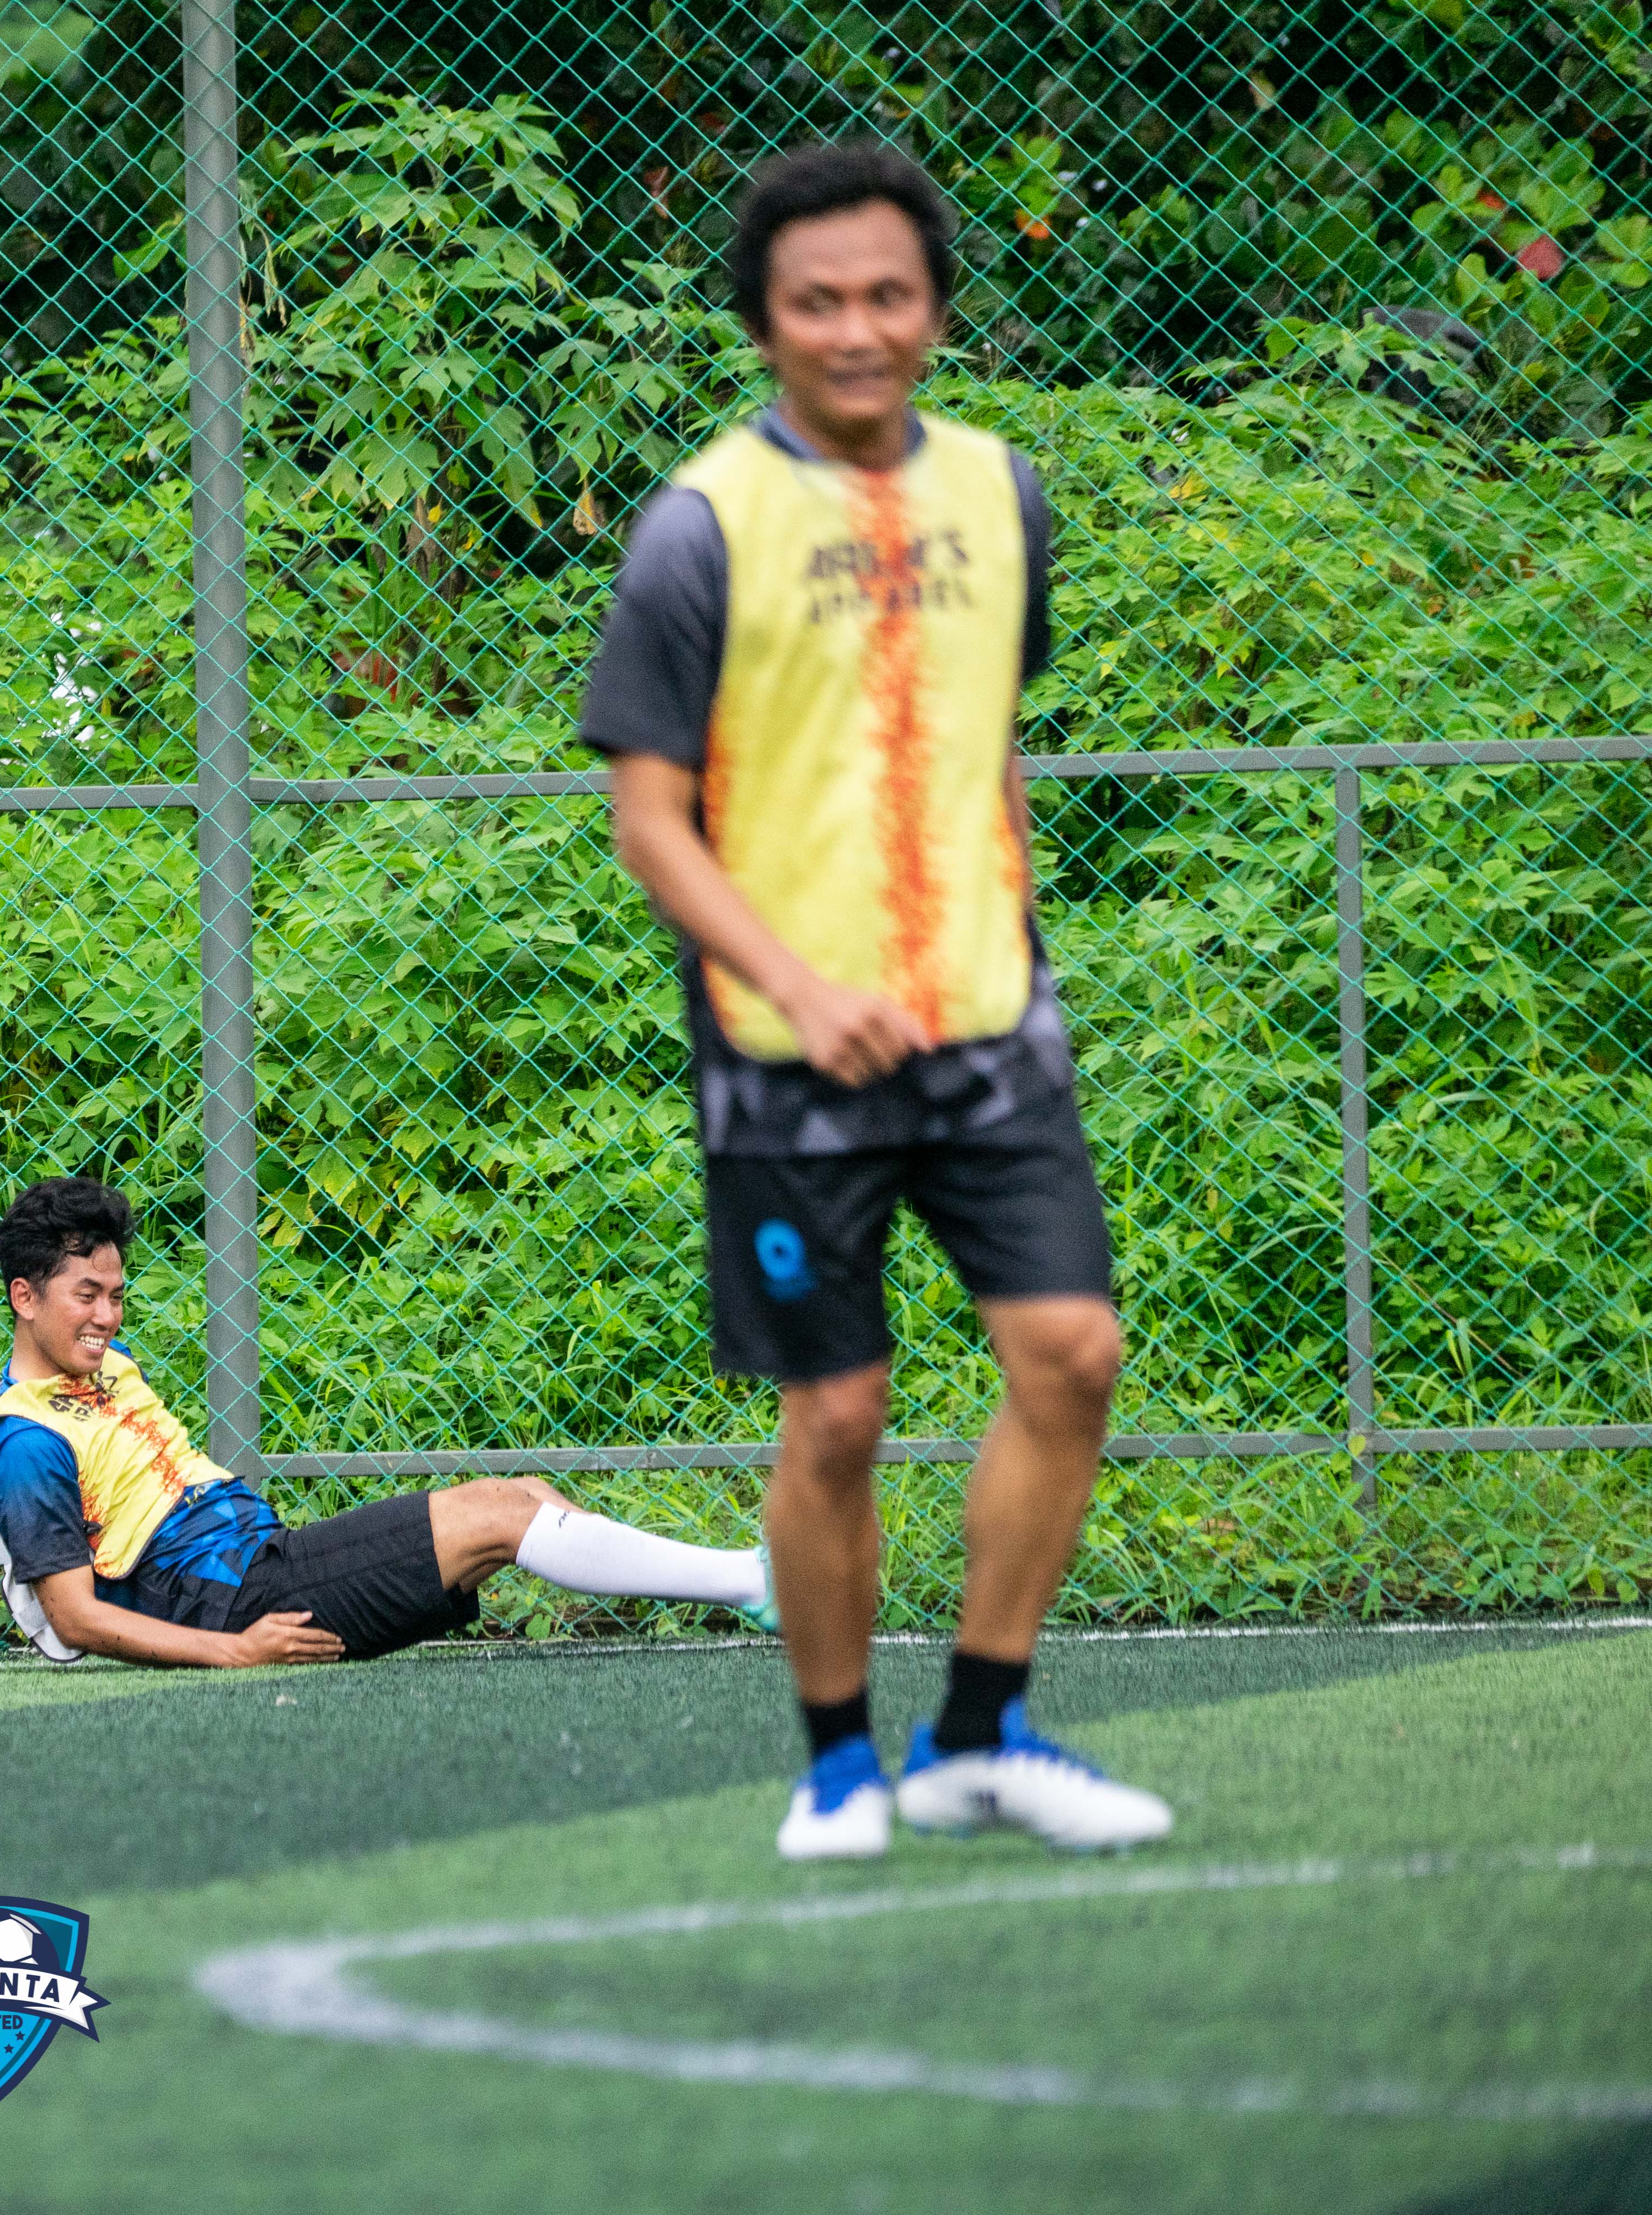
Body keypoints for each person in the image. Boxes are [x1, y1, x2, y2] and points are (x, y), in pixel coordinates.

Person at [579, 142, 1172, 1859]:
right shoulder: (699, 529)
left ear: (937, 312)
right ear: (765, 324)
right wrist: (797, 980)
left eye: (889, 296)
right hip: (787, 1057)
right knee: (836, 1414)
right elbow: (649, 820)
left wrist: (1009, 942)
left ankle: (980, 1735)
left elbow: (986, 745)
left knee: (1073, 1354)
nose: (858, 329)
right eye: (819, 301)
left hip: (989, 1034)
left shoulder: (1003, 494)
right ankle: (837, 1763)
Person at [0, 1176, 776, 1668]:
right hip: (240, 1605)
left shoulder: (100, 1366)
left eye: (116, 1296)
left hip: (262, 1563)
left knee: (526, 1494)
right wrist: (236, 1651)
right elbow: (76, 1617)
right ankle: (756, 1581)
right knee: (503, 1515)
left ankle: (752, 1584)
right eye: (87, 1296)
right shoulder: (25, 1444)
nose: (108, 1317)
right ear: (24, 1298)